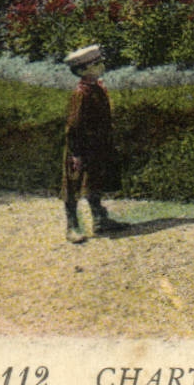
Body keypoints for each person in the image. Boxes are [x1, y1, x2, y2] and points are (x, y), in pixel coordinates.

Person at [61, 44, 126, 243]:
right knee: (74, 185)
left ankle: (99, 219)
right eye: (95, 64)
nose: (101, 66)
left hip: (97, 145)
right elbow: (74, 125)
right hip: (81, 147)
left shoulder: (96, 88)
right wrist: (75, 153)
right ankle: (72, 226)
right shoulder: (81, 93)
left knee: (94, 182)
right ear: (82, 70)